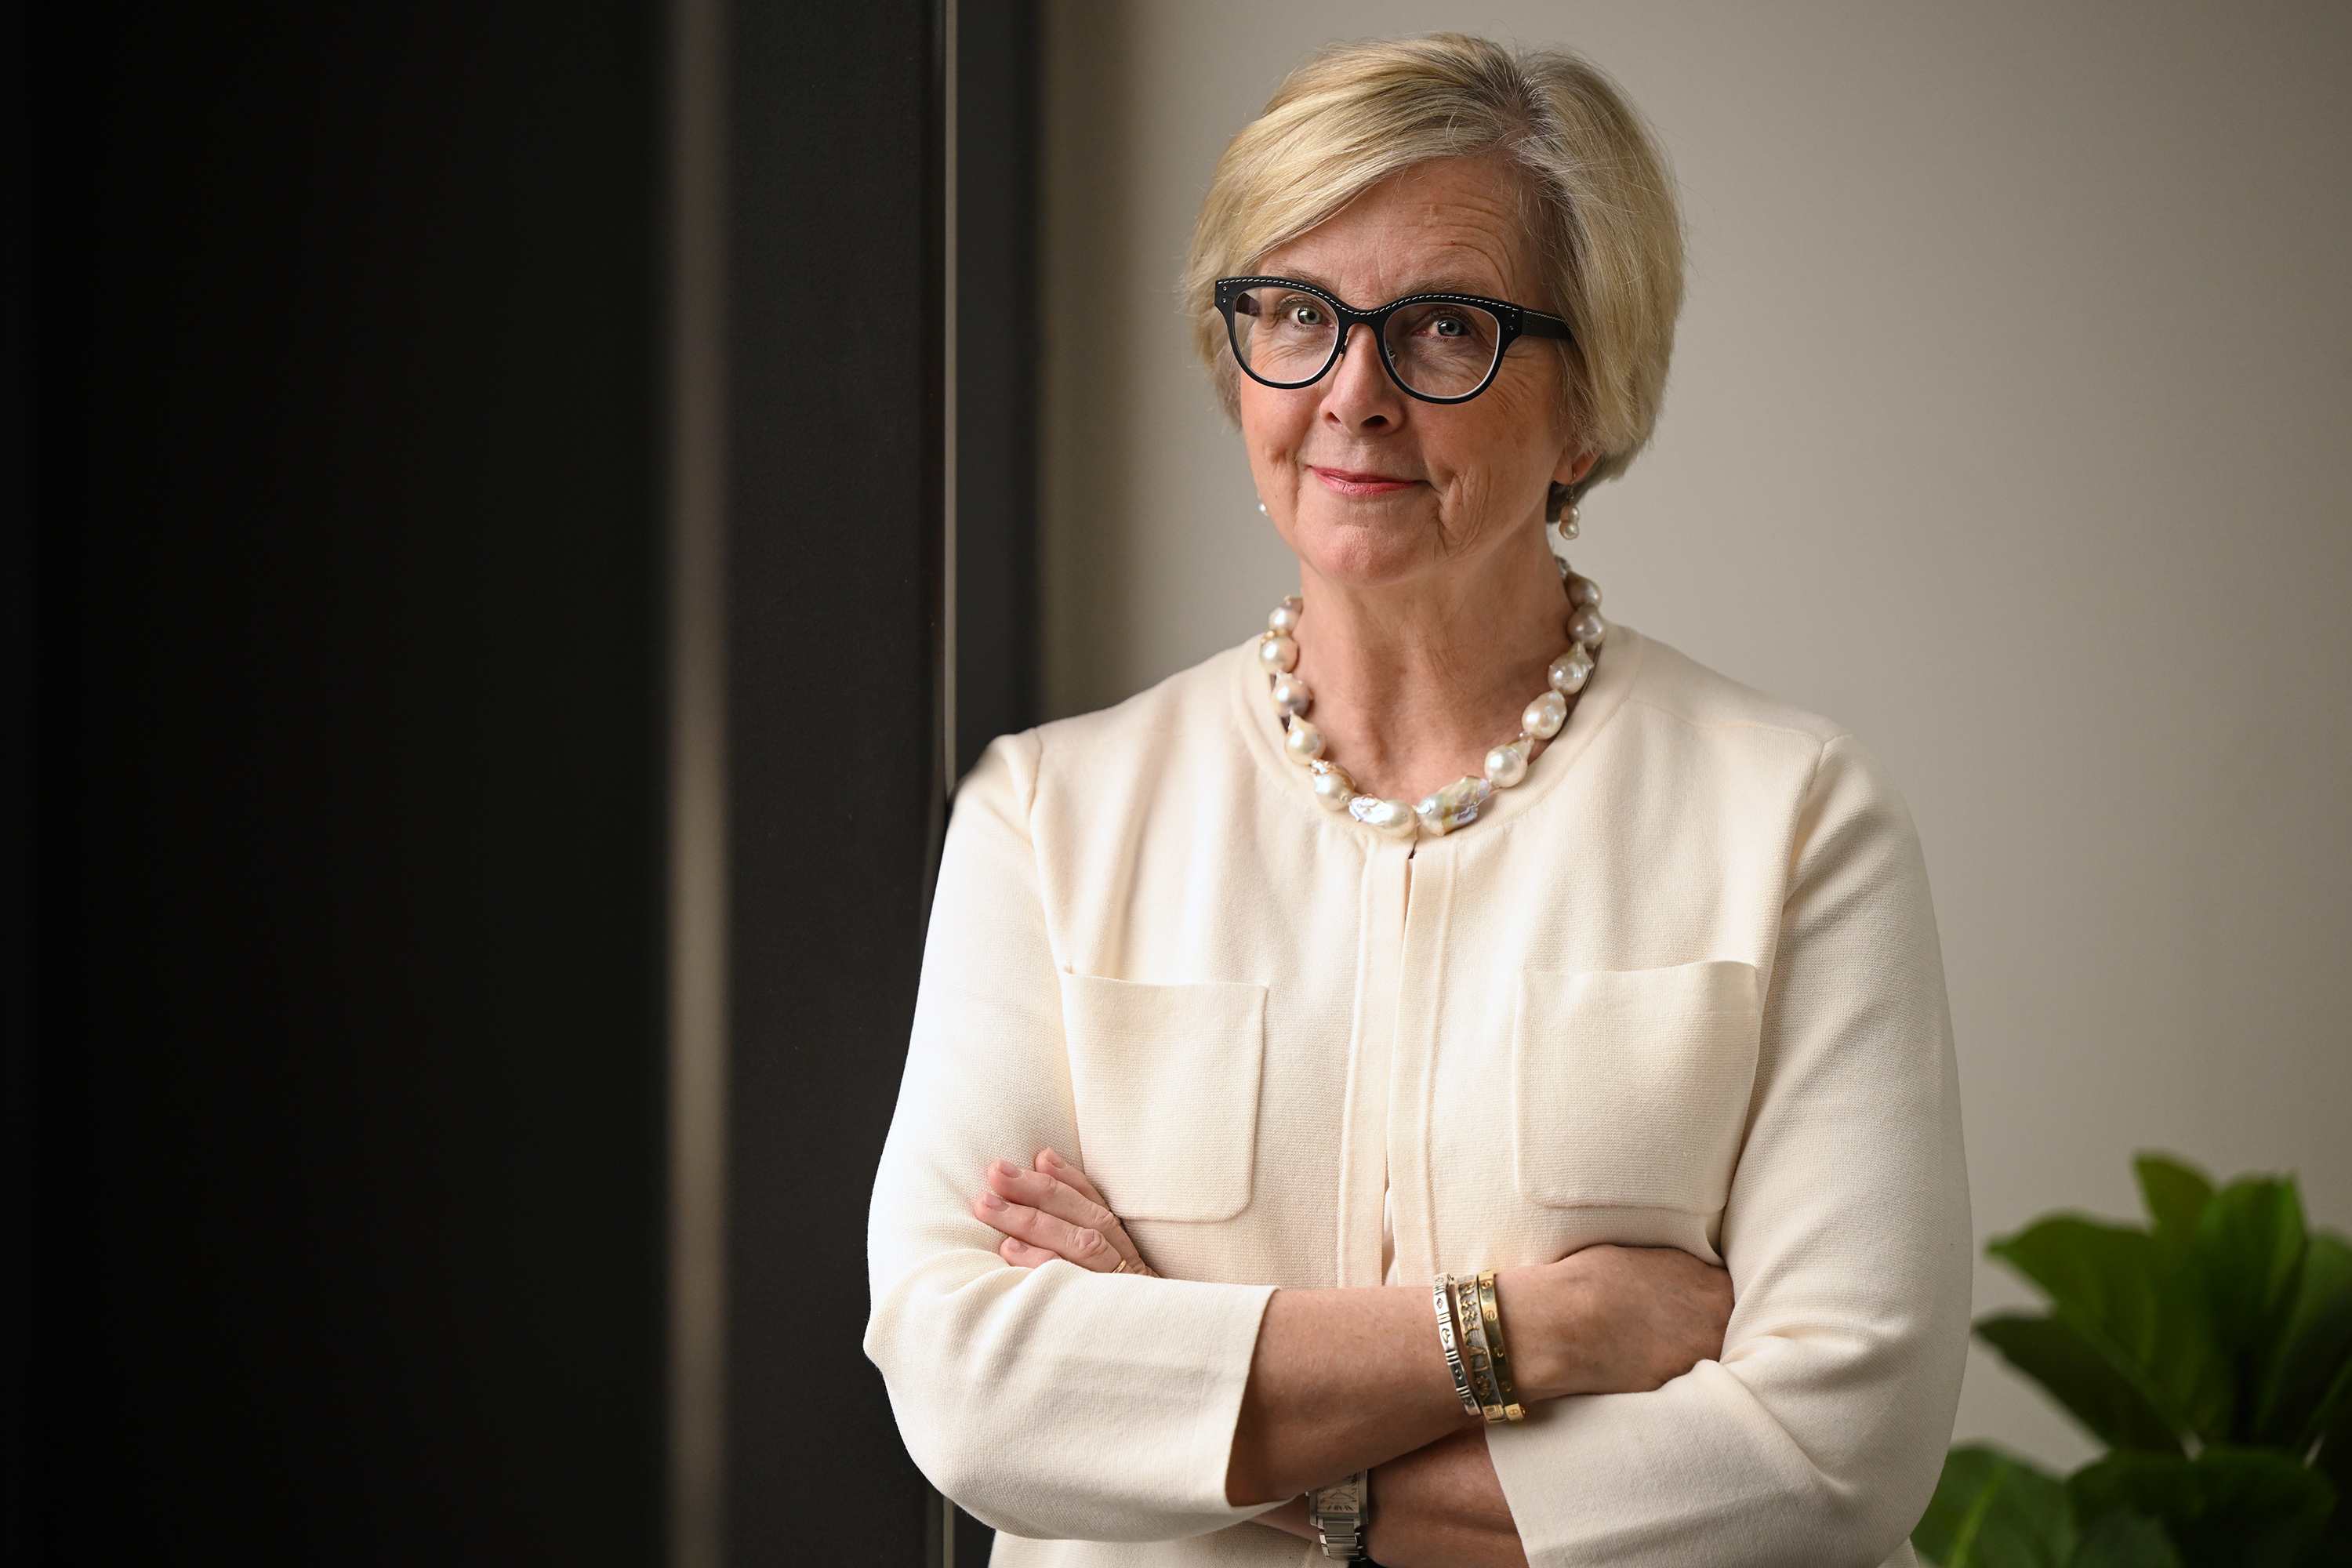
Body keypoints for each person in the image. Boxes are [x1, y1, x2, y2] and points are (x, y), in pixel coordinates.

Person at [866, 33, 1969, 1568]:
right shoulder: (1047, 822)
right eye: (1299, 315)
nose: (1354, 393)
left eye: (1444, 327)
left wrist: (1194, 1407)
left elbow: (1828, 1458)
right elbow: (970, 1391)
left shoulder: (1796, 822)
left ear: (1590, 397)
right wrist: (1524, 1333)